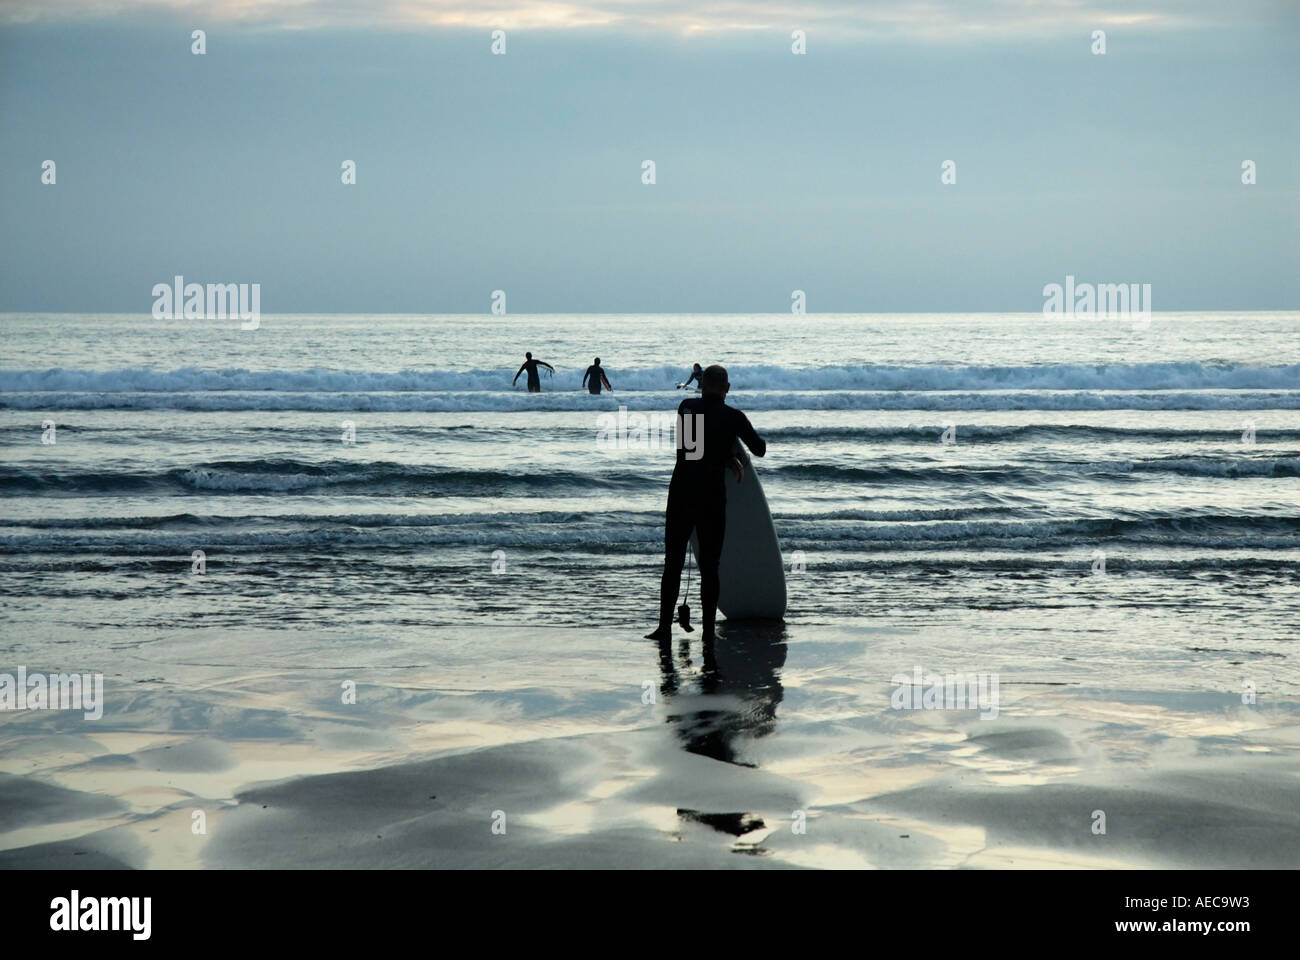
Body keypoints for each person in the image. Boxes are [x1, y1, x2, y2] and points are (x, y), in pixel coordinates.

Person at [646, 364, 766, 642]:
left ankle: (664, 629)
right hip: (711, 498)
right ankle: (708, 632)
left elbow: (689, 450)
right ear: (727, 388)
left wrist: (722, 453)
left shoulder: (687, 407)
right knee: (710, 567)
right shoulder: (733, 417)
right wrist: (729, 454)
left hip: (681, 494)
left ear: (701, 385)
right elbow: (759, 450)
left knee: (673, 563)